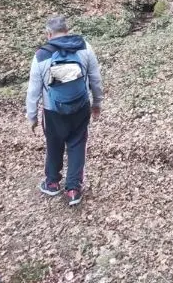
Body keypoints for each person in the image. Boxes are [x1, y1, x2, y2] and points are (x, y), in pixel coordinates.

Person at [25, 15, 103, 207]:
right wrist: (97, 103)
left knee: (54, 144)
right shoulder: (84, 47)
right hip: (80, 108)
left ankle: (52, 183)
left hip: (52, 112)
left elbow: (33, 90)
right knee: (77, 144)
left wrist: (32, 117)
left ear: (48, 34)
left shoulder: (41, 55)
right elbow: (95, 78)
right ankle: (73, 189)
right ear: (67, 31)